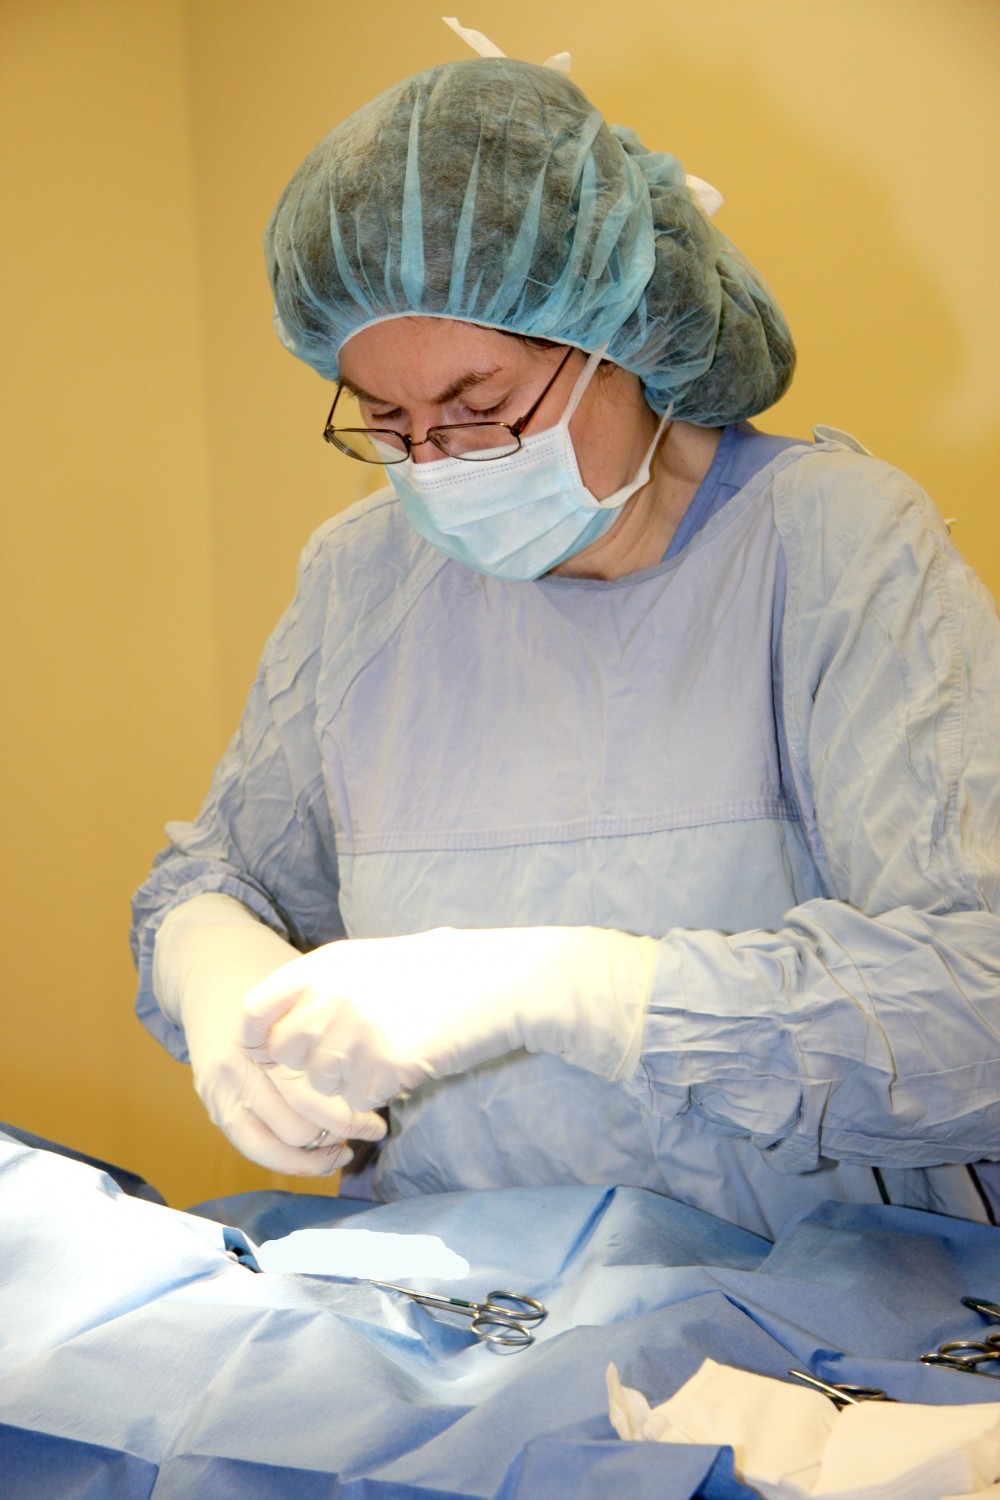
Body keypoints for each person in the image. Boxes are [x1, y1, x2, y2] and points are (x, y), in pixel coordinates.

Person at [131, 49, 1000, 1239]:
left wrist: (577, 993)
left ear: (617, 335)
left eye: (479, 411)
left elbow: (976, 1006)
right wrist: (211, 965)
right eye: (386, 420)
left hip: (818, 1313)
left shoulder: (833, 548)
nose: (432, 463)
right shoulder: (363, 574)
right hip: (472, 1307)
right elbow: (222, 877)